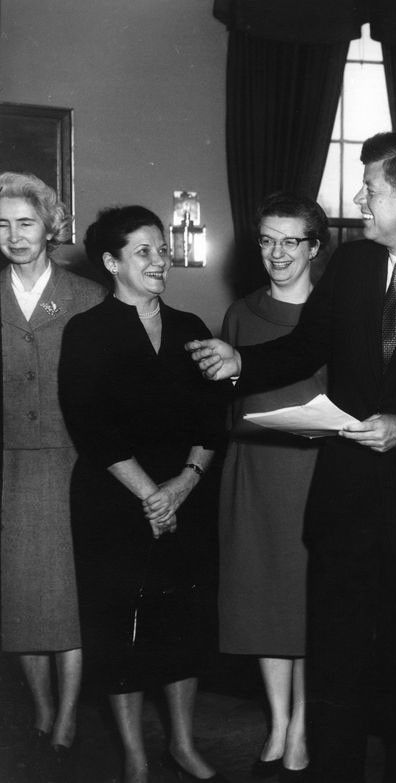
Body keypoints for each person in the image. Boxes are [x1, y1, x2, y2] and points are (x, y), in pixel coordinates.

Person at [188, 131, 396, 783]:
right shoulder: (352, 266)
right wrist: (241, 362)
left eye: (372, 190)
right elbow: (305, 346)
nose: (359, 200)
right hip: (344, 505)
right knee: (336, 665)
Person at [59, 206, 229, 783]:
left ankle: (182, 744)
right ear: (112, 263)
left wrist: (183, 484)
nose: (161, 261)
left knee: (183, 622)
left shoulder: (191, 328)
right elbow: (91, 427)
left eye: (163, 249)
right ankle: (134, 755)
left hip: (185, 492)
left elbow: (213, 421)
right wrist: (150, 497)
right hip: (115, 499)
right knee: (120, 629)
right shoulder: (87, 331)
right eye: (145, 252)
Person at [217, 192, 329, 781]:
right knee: (262, 599)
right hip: (254, 470)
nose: (277, 252)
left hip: (314, 474)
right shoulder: (240, 313)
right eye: (267, 239)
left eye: (291, 240)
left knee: (308, 603)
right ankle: (279, 720)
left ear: (314, 247)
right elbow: (226, 399)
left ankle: (305, 725)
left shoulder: (337, 312)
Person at [0, 172, 106, 778]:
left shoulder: (86, 297)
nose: (15, 235)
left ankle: (67, 714)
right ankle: (40, 709)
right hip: (9, 466)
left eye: (27, 222)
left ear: (50, 226)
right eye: (5, 224)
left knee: (66, 602)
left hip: (72, 463)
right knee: (19, 606)